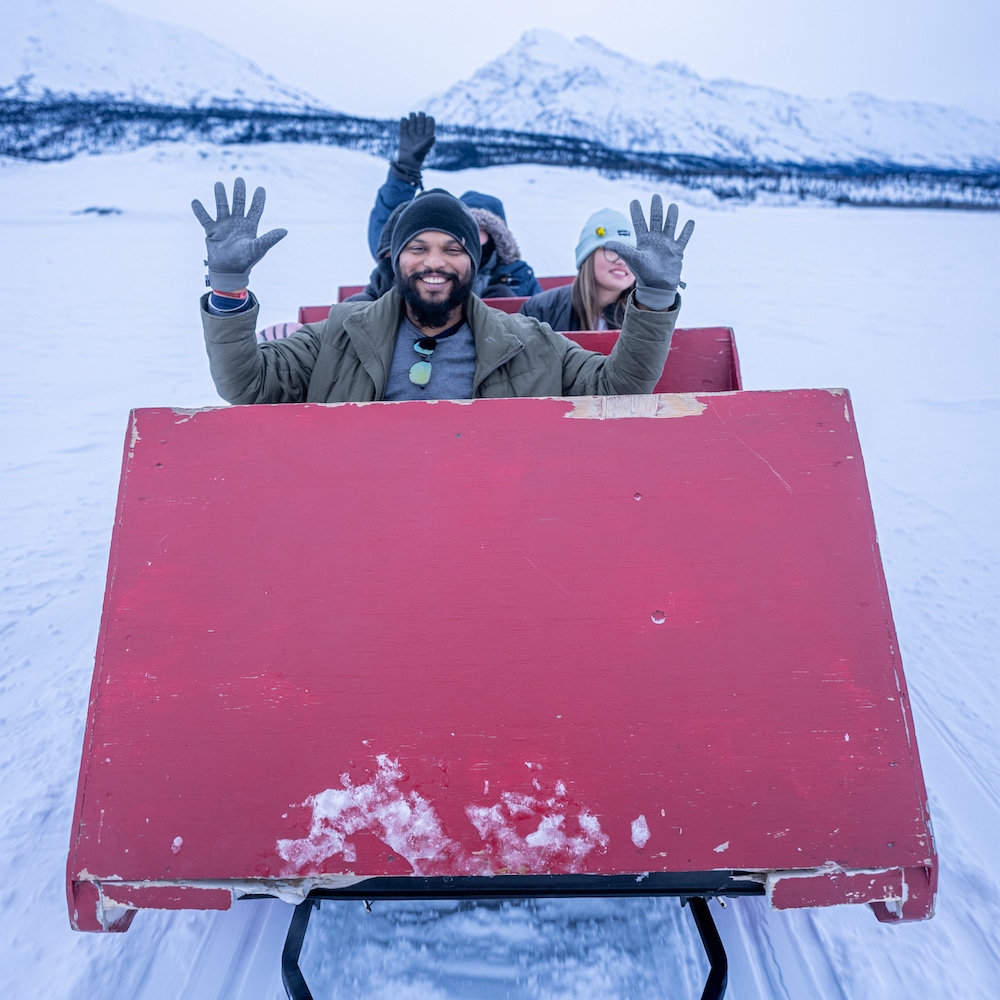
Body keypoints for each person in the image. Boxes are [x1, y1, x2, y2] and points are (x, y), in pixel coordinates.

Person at [191, 178, 694, 404]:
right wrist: (229, 290)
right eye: (419, 247)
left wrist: (651, 299)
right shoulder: (339, 334)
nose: (435, 261)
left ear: (474, 264)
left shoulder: (531, 341)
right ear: (396, 260)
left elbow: (618, 389)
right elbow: (248, 386)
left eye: (453, 248)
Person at [367, 112, 542, 298]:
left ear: (496, 236)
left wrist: (512, 308)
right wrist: (403, 175)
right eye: (470, 225)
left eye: (482, 228)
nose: (474, 232)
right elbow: (387, 235)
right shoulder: (434, 265)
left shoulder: (519, 275)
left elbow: (541, 317)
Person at [519, 208, 650, 331]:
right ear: (587, 256)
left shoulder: (647, 316)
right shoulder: (540, 310)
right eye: (612, 250)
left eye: (631, 253)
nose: (622, 261)